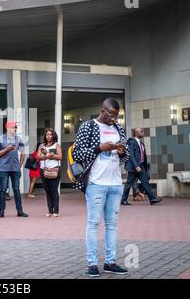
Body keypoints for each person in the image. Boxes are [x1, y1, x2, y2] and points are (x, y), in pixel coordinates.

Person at [73, 98, 130, 277]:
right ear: (102, 110)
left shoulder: (119, 128)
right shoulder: (88, 126)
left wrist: (122, 152)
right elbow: (77, 153)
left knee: (112, 225)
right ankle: (92, 264)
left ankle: (110, 262)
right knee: (93, 224)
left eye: (117, 116)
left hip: (115, 183)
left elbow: (126, 157)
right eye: (111, 115)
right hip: (96, 184)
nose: (114, 119)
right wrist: (99, 147)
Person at [0, 120, 28, 218]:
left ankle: (20, 211)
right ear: (7, 128)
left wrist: (20, 165)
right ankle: (1, 211)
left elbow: (23, 152)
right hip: (3, 169)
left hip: (15, 169)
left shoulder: (19, 139)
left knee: (16, 189)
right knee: (3, 190)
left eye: (16, 127)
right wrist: (6, 149)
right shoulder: (0, 139)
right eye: (13, 127)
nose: (15, 129)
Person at [121, 128, 162, 206]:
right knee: (129, 184)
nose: (143, 133)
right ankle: (123, 200)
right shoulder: (132, 142)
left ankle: (152, 199)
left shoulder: (141, 143)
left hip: (141, 166)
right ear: (136, 133)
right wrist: (136, 166)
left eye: (143, 131)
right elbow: (131, 155)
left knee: (145, 182)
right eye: (141, 131)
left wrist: (144, 166)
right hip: (134, 167)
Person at [37, 128, 62, 217]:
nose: (48, 136)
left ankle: (56, 211)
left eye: (50, 134)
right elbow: (38, 157)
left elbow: (60, 157)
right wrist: (47, 156)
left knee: (54, 190)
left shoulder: (56, 145)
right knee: (47, 191)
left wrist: (51, 155)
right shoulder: (41, 146)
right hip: (43, 170)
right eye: (47, 134)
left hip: (54, 170)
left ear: (53, 136)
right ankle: (50, 211)